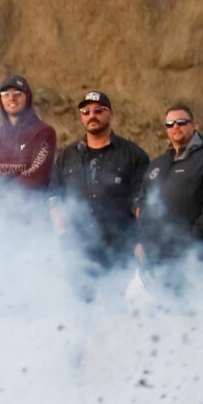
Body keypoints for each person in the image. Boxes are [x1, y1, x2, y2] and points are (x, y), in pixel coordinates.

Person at [50, 92, 148, 300]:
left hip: (119, 249)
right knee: (78, 315)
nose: (91, 115)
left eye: (98, 110)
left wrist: (141, 241)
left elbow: (143, 203)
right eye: (86, 111)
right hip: (78, 251)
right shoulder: (67, 156)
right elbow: (55, 200)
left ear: (111, 114)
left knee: (117, 315)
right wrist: (62, 237)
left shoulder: (133, 156)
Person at [136, 105, 203, 305]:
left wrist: (190, 237)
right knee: (166, 321)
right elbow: (142, 204)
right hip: (159, 259)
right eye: (170, 124)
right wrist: (142, 242)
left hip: (196, 256)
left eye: (181, 122)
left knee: (198, 317)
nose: (176, 127)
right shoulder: (157, 165)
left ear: (194, 125)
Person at [0, 76, 56, 191]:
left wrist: (0, 170)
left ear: (27, 98)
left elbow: (37, 176)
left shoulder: (44, 132)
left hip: (32, 206)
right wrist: (24, 165)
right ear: (0, 99)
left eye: (18, 93)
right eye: (6, 94)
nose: (12, 98)